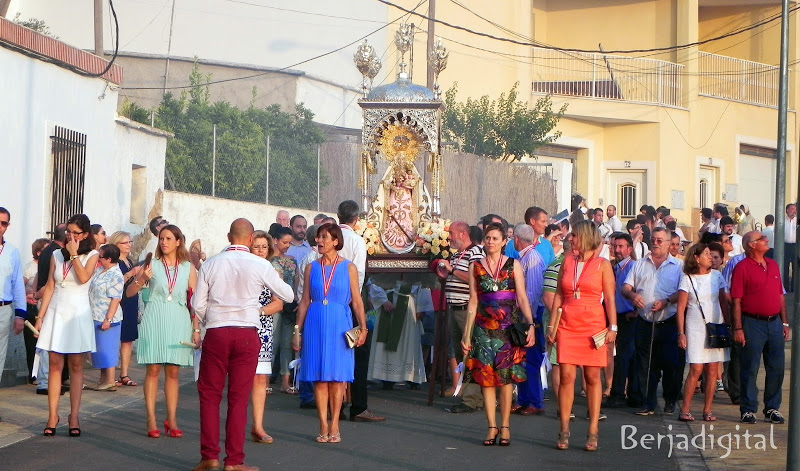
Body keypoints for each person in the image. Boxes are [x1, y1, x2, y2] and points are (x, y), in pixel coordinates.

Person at [192, 219, 293, 471]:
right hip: (247, 332)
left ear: (229, 237)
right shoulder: (260, 264)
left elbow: (196, 304)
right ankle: (234, 461)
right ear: (250, 239)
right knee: (238, 398)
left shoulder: (212, 263)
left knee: (210, 396)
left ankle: (209, 457)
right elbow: (289, 295)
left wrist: (211, 319)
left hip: (216, 332)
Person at [461, 223, 535, 447]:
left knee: (505, 381)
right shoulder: (475, 266)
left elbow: (521, 297)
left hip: (507, 328)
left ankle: (505, 426)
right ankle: (491, 426)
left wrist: (530, 324)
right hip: (483, 329)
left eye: (495, 238)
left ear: (504, 241)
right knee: (486, 379)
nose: (490, 242)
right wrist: (466, 334)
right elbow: (473, 301)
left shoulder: (514, 265)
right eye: (487, 238)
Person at [293, 223, 368, 443]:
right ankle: (322, 424)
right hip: (315, 321)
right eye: (318, 237)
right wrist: (297, 330)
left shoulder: (349, 268)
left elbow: (357, 301)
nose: (320, 241)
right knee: (319, 378)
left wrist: (363, 327)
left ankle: (335, 423)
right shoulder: (311, 268)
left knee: (337, 378)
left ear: (336, 241)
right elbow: (305, 300)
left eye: (325, 237)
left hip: (339, 323)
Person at [546, 221, 617, 451]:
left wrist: (612, 328)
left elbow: (610, 299)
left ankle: (593, 430)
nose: (570, 239)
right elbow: (558, 295)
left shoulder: (602, 265)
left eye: (574, 236)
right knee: (566, 375)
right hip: (567, 323)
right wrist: (552, 327)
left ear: (584, 237)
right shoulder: (566, 262)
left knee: (592, 377)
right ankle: (564, 428)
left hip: (593, 324)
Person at [129, 224, 200, 438]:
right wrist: (142, 278)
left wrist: (196, 329)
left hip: (178, 319)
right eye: (162, 238)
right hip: (155, 317)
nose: (164, 242)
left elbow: (194, 302)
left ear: (178, 241)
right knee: (152, 370)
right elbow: (130, 292)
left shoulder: (188, 267)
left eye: (169, 238)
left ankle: (172, 418)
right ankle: (151, 418)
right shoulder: (152, 264)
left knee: (174, 372)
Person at [34, 214, 99, 437]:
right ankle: (52, 415)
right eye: (68, 232)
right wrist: (40, 316)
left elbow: (83, 278)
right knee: (53, 363)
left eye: (75, 232)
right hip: (56, 311)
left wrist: (73, 254)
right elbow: (50, 286)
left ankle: (73, 415)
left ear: (85, 234)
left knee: (76, 366)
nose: (70, 236)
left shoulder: (93, 254)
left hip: (77, 312)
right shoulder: (54, 254)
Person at [622, 227, 684, 417]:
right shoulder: (639, 264)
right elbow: (625, 287)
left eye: (660, 241)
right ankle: (647, 402)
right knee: (645, 364)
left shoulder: (678, 266)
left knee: (671, 364)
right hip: (645, 322)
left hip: (668, 322)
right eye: (653, 240)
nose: (655, 244)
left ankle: (670, 399)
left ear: (668, 244)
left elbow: (683, 293)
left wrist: (667, 301)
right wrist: (633, 296)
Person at [731, 231, 790, 425]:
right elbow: (736, 300)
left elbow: (780, 296)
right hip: (752, 323)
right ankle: (748, 409)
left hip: (774, 323)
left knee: (777, 367)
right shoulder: (742, 268)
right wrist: (738, 328)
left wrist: (784, 322)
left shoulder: (772, 264)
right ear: (751, 245)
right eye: (761, 239)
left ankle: (772, 407)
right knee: (750, 367)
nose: (766, 240)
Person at [337, 201, 383, 422]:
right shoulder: (356, 240)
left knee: (335, 351)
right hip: (351, 303)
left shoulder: (329, 238)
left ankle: (333, 406)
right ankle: (358, 406)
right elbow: (359, 277)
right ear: (356, 220)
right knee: (358, 352)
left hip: (331, 304)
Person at [675, 244, 730, 422]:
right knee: (696, 368)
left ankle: (707, 409)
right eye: (706, 254)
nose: (710, 257)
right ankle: (685, 409)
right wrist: (681, 332)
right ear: (696, 258)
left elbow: (723, 302)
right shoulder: (687, 278)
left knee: (713, 369)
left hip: (715, 324)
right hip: (695, 326)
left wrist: (729, 325)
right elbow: (681, 307)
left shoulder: (717, 276)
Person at [435, 221, 484, 413]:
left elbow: (475, 278)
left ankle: (472, 399)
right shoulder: (457, 255)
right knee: (459, 352)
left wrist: (452, 270)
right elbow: (454, 276)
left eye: (452, 234)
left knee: (469, 351)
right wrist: (444, 275)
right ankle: (470, 395)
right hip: (454, 308)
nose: (449, 238)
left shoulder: (475, 252)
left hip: (467, 310)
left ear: (463, 234)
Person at [249, 230, 284, 445]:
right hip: (241, 327)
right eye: (256, 246)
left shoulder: (273, 272)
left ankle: (258, 425)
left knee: (260, 378)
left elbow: (278, 303)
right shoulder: (241, 268)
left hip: (262, 327)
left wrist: (259, 312)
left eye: (264, 246)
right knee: (240, 380)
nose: (261, 250)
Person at [367, 280, 429, 388]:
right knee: (386, 342)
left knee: (409, 341)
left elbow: (423, 280)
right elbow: (374, 278)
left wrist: (422, 307)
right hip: (388, 300)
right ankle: (386, 376)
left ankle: (410, 376)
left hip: (409, 303)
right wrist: (383, 300)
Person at [513, 224, 547, 416]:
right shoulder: (523, 257)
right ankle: (524, 399)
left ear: (517, 239)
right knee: (521, 358)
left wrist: (529, 320)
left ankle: (534, 401)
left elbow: (532, 293)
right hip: (524, 315)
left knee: (531, 359)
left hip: (531, 316)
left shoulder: (532, 258)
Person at [605, 233, 638, 409]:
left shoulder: (633, 266)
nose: (617, 250)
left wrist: (636, 312)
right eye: (614, 246)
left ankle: (619, 394)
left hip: (629, 316)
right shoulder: (615, 267)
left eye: (621, 247)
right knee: (625, 356)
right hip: (618, 316)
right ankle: (630, 393)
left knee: (625, 357)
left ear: (629, 249)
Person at [33, 223, 67, 395]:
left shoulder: (49, 251)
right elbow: (48, 282)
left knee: (49, 343)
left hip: (48, 299)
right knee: (47, 344)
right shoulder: (54, 253)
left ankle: (49, 380)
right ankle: (45, 381)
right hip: (49, 300)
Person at [88, 244, 124, 391]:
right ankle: (102, 380)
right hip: (96, 314)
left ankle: (110, 380)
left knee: (108, 349)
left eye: (101, 256)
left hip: (108, 318)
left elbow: (116, 299)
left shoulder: (116, 275)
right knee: (100, 350)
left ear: (109, 259)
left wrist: (108, 319)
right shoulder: (100, 270)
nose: (98, 259)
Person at [108, 231, 142, 387]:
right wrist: (130, 274)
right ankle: (110, 375)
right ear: (116, 245)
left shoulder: (128, 261)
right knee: (115, 340)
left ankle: (124, 373)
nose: (129, 245)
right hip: (118, 302)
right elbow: (114, 282)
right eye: (125, 242)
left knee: (127, 340)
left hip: (130, 301)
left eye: (130, 242)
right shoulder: (114, 263)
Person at [270, 227, 300, 395]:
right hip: (274, 304)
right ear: (275, 240)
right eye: (285, 242)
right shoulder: (268, 260)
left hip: (289, 304)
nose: (288, 245)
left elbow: (296, 281)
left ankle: (285, 382)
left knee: (287, 343)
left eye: (289, 242)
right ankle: (265, 380)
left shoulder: (292, 260)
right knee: (272, 343)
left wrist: (295, 297)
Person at [0, 207, 27, 387]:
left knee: (0, 355)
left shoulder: (12, 252)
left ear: (7, 226)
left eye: (3, 223)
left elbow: (18, 284)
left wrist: (20, 314)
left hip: (3, 309)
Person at [23, 238, 50, 384]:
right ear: (39, 252)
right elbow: (21, 285)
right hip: (33, 308)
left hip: (44, 307)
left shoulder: (48, 267)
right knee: (32, 342)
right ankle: (33, 375)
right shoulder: (30, 267)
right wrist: (28, 297)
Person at [783, 204, 797, 289]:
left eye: (795, 209)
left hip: (795, 246)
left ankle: (794, 287)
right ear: (787, 210)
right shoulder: (783, 221)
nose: (794, 211)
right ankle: (786, 287)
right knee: (785, 266)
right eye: (792, 209)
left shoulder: (797, 221)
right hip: (785, 246)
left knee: (796, 267)